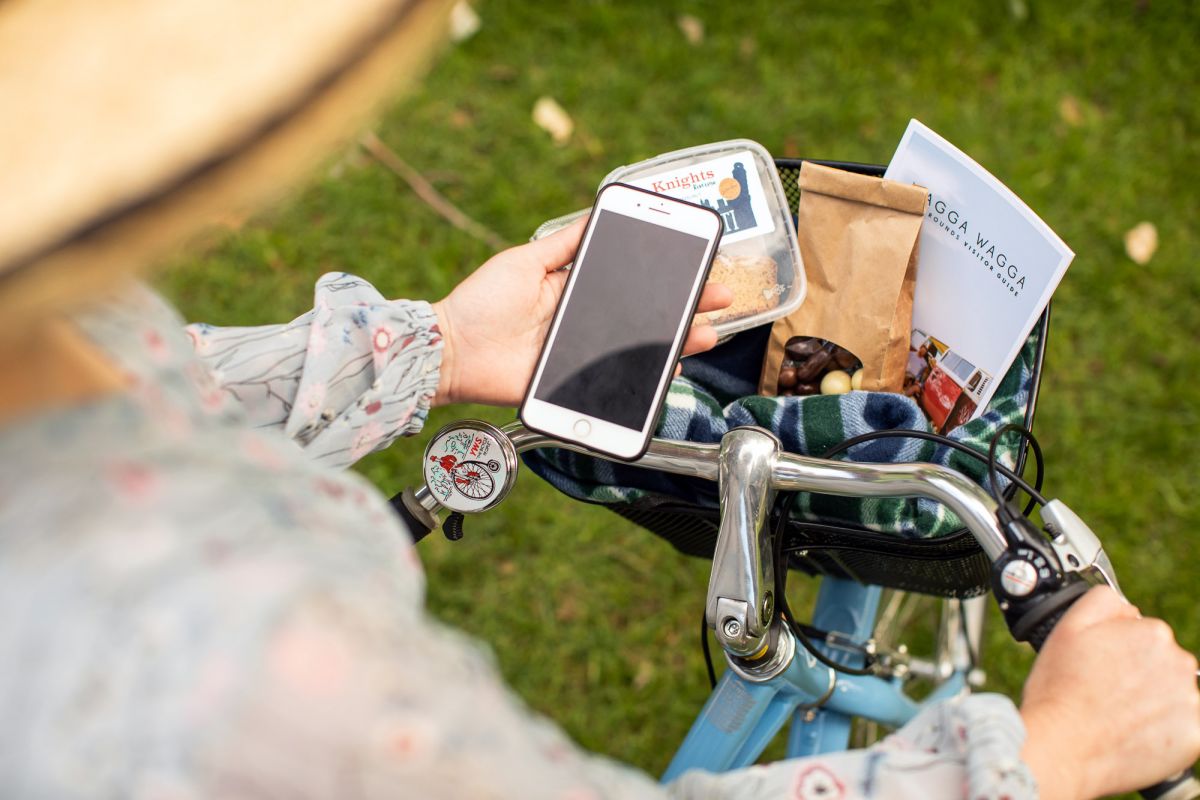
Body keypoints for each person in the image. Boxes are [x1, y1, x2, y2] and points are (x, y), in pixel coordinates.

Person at [1, 1, 1198, 798]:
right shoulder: (223, 646)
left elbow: (168, 379)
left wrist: (439, 347)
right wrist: (1046, 753)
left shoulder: (46, 328)